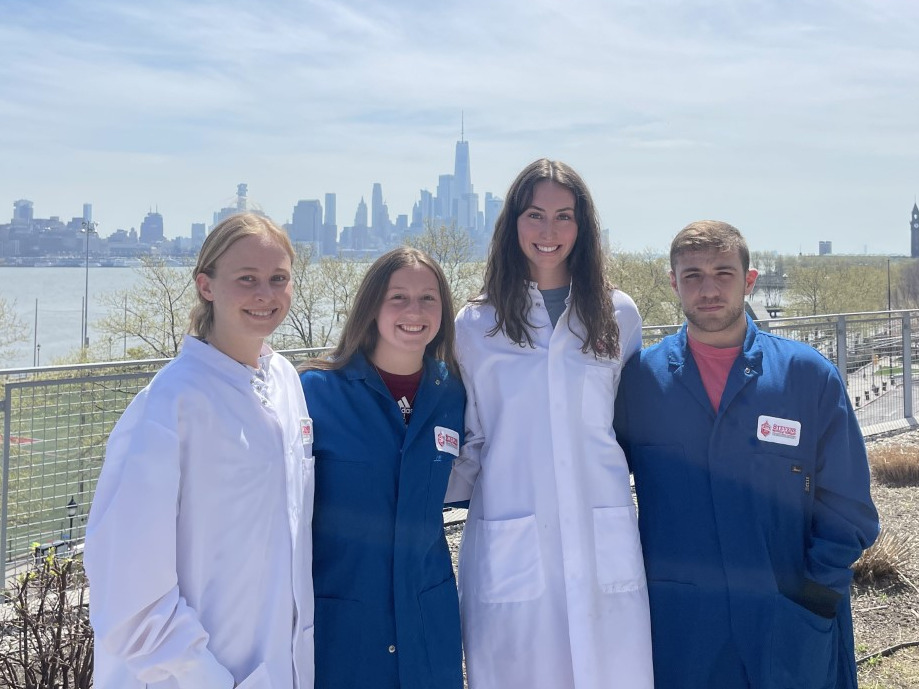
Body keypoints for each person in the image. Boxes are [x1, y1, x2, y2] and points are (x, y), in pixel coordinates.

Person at [614, 220, 880, 689]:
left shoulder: (806, 376)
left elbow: (849, 502)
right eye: (692, 275)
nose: (709, 288)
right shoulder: (640, 382)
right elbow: (598, 483)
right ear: (673, 283)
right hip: (682, 623)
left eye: (723, 273)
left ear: (749, 280)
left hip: (788, 612)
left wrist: (815, 590)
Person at [446, 159, 654, 688]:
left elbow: (632, 422)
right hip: (511, 535)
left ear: (582, 227)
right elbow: (471, 435)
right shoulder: (476, 324)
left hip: (600, 530)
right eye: (535, 215)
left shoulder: (618, 314)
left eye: (564, 217)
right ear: (512, 223)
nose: (548, 232)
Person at [85, 212, 315, 689]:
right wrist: (204, 677)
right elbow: (128, 590)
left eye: (278, 279)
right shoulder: (169, 404)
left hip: (279, 667)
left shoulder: (287, 382)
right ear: (206, 285)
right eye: (246, 279)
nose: (265, 295)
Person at [299, 247, 465, 689]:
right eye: (398, 298)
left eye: (429, 298)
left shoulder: (454, 395)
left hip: (428, 627)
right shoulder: (315, 394)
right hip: (343, 629)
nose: (415, 311)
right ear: (372, 305)